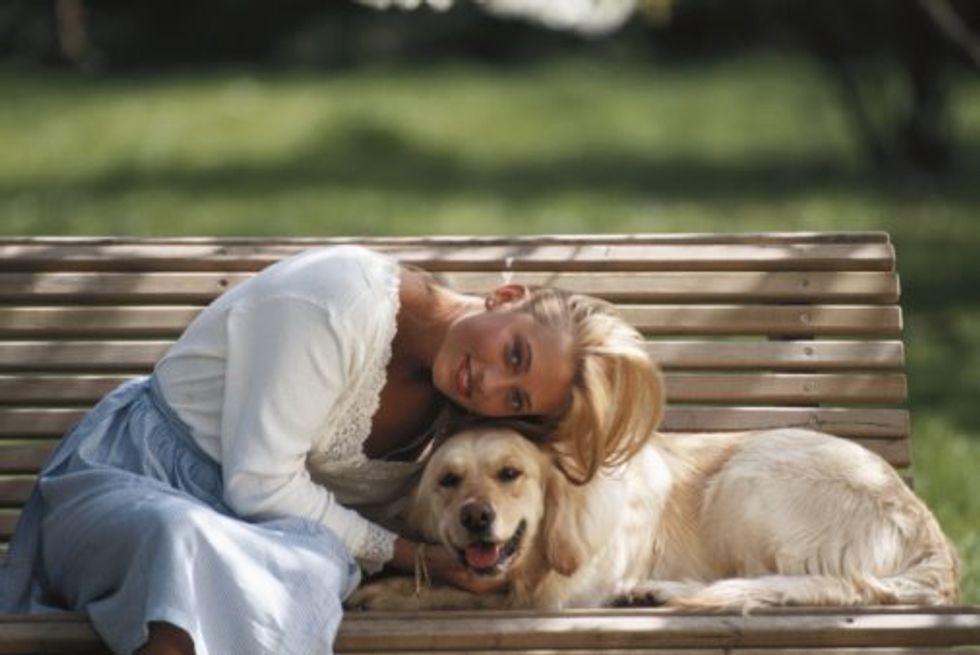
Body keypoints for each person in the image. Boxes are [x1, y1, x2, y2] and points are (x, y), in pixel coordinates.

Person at [0, 245, 664, 654]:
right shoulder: (338, 300)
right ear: (507, 296)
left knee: (315, 569)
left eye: (517, 399)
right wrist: (416, 558)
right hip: (129, 490)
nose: (489, 382)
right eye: (512, 351)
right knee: (187, 539)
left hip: (260, 540)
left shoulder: (461, 420)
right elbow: (258, 486)